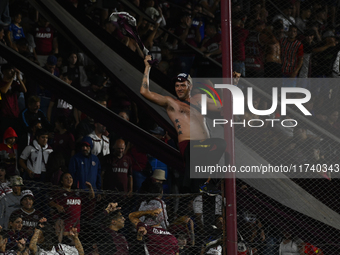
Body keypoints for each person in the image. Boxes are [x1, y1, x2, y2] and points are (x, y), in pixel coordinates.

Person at [140, 55, 226, 193]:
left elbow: (223, 108)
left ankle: (204, 185)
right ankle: (196, 186)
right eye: (177, 85)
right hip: (190, 146)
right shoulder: (172, 103)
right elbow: (144, 92)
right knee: (204, 151)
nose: (179, 88)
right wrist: (147, 68)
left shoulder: (199, 99)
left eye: (182, 85)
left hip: (205, 146)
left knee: (221, 150)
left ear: (190, 86)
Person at [0, 64, 27, 137]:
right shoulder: (1, 83)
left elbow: (24, 90)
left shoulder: (14, 84)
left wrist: (19, 78)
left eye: (13, 70)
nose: (12, 72)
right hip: (5, 115)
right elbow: (4, 91)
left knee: (15, 137)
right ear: (4, 72)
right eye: (10, 70)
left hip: (15, 114)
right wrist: (11, 79)